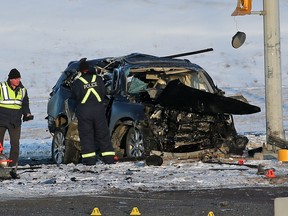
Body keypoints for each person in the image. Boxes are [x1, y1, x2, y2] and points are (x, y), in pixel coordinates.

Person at [71, 58, 115, 165]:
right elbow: (104, 93)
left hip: (84, 111)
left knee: (86, 136)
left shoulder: (77, 82)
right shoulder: (98, 79)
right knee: (103, 134)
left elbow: (74, 97)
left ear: (81, 71)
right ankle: (109, 159)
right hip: (99, 110)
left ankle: (90, 160)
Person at [0, 68, 33, 167]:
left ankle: (12, 166)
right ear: (10, 79)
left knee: (15, 145)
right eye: (15, 78)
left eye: (19, 78)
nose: (18, 80)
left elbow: (25, 104)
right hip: (1, 120)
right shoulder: (2, 87)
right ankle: (1, 164)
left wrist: (27, 113)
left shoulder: (23, 90)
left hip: (15, 122)